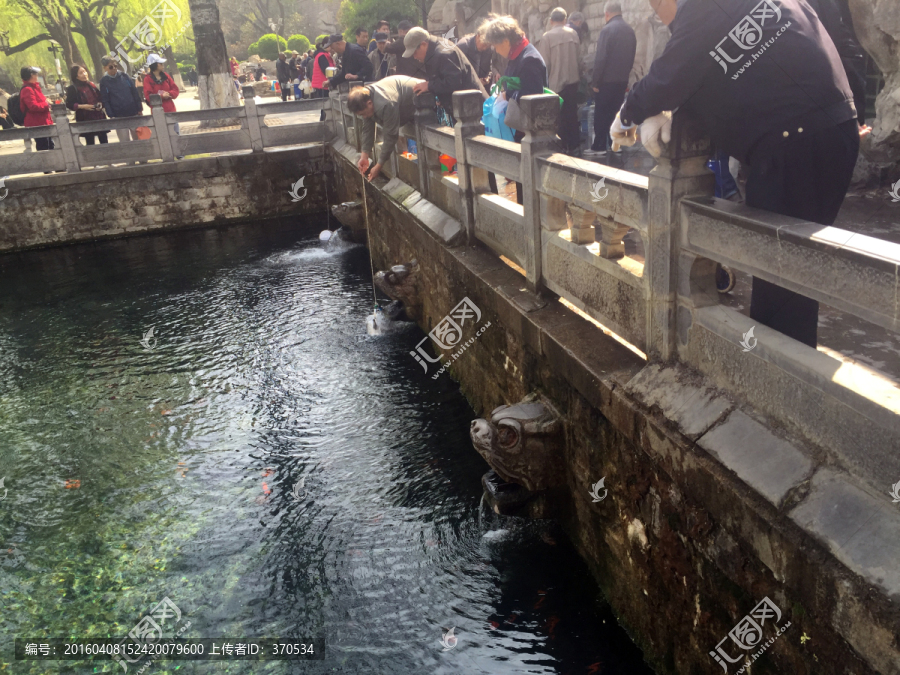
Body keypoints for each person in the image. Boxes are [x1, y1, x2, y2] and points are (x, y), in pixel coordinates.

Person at [610, 0, 859, 348]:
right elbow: (718, 65)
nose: (667, 24)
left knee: (780, 287)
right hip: (834, 128)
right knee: (795, 276)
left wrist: (627, 114)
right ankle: (790, 377)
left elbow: (669, 74)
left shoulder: (702, 7)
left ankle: (778, 387)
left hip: (793, 145)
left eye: (660, 11)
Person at [483, 16, 547, 204]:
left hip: (531, 131)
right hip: (519, 130)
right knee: (521, 184)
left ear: (505, 40)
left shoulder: (529, 59)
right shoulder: (516, 56)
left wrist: (507, 96)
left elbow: (533, 94)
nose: (495, 49)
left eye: (496, 44)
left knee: (530, 188)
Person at [402, 26, 487, 123]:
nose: (414, 57)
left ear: (423, 44)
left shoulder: (443, 53)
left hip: (474, 109)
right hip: (465, 108)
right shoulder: (434, 51)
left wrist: (429, 85)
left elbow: (454, 82)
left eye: (414, 52)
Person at [585, 1, 636, 158]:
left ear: (607, 14)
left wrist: (595, 82)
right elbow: (631, 57)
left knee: (601, 113)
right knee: (617, 113)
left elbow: (601, 59)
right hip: (621, 80)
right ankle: (616, 145)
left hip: (606, 81)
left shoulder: (607, 30)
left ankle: (599, 146)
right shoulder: (630, 31)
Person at [349, 75, 423, 182]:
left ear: (369, 103)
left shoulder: (386, 103)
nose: (364, 117)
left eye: (364, 114)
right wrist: (364, 155)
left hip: (422, 97)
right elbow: (367, 129)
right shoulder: (366, 96)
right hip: (404, 104)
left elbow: (390, 136)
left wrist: (379, 165)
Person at [539, 8, 581, 156]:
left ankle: (562, 146)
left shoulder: (547, 37)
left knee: (558, 117)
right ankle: (574, 145)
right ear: (565, 19)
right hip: (573, 81)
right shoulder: (573, 34)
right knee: (572, 114)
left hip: (555, 83)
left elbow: (545, 64)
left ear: (551, 21)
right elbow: (579, 58)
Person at [99, 56, 144, 143]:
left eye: (115, 66)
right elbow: (105, 99)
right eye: (111, 67)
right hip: (118, 115)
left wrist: (139, 108)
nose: (114, 68)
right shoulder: (104, 81)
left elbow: (134, 92)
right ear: (105, 68)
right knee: (124, 140)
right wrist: (111, 114)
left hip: (133, 112)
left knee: (138, 138)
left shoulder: (124, 76)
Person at [65, 65, 108, 146]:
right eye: (81, 73)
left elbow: (100, 97)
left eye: (85, 71)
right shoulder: (73, 88)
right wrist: (83, 106)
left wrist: (100, 104)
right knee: (90, 142)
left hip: (98, 116)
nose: (84, 74)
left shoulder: (91, 85)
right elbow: (69, 104)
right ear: (76, 76)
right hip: (85, 118)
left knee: (104, 140)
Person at [19, 66, 54, 152]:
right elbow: (33, 106)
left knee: (50, 145)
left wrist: (46, 102)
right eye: (36, 74)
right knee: (44, 146)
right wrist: (46, 104)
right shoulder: (27, 89)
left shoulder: (34, 88)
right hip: (37, 123)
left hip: (43, 121)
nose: (37, 75)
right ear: (31, 75)